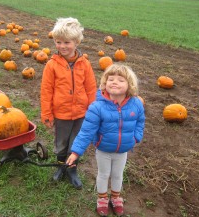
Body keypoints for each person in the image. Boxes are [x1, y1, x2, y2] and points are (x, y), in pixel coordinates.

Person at [66, 64, 145, 216]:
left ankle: (115, 197)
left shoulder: (136, 104)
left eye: (121, 80)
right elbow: (86, 131)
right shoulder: (97, 107)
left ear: (130, 85)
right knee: (103, 174)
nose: (115, 82)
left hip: (123, 150)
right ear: (105, 83)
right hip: (103, 149)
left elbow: (140, 121)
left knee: (117, 174)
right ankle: (102, 198)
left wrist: (136, 137)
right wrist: (75, 152)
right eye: (111, 79)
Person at [40, 17, 97, 189]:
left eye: (67, 42)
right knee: (62, 143)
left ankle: (72, 170)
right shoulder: (51, 65)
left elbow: (91, 88)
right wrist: (47, 114)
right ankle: (60, 166)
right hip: (61, 113)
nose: (62, 46)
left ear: (77, 42)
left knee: (76, 143)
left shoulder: (85, 64)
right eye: (58, 42)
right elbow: (46, 91)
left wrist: (93, 111)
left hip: (81, 113)